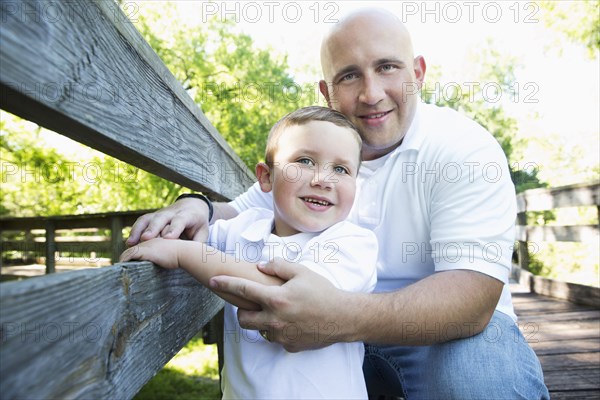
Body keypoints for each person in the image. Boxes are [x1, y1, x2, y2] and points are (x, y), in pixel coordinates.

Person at [126, 8, 549, 399]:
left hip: (440, 333)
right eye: (349, 76)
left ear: (417, 73)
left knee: (483, 381)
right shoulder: (320, 151)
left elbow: (470, 302)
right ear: (327, 91)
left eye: (387, 67)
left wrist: (335, 317)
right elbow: (246, 210)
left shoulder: (464, 151)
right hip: (339, 346)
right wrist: (196, 206)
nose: (371, 93)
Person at [121, 106, 378, 399]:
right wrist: (169, 227)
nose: (323, 179)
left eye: (341, 169)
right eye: (305, 161)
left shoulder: (352, 242)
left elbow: (285, 297)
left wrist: (183, 254)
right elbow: (184, 238)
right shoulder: (241, 229)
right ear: (266, 177)